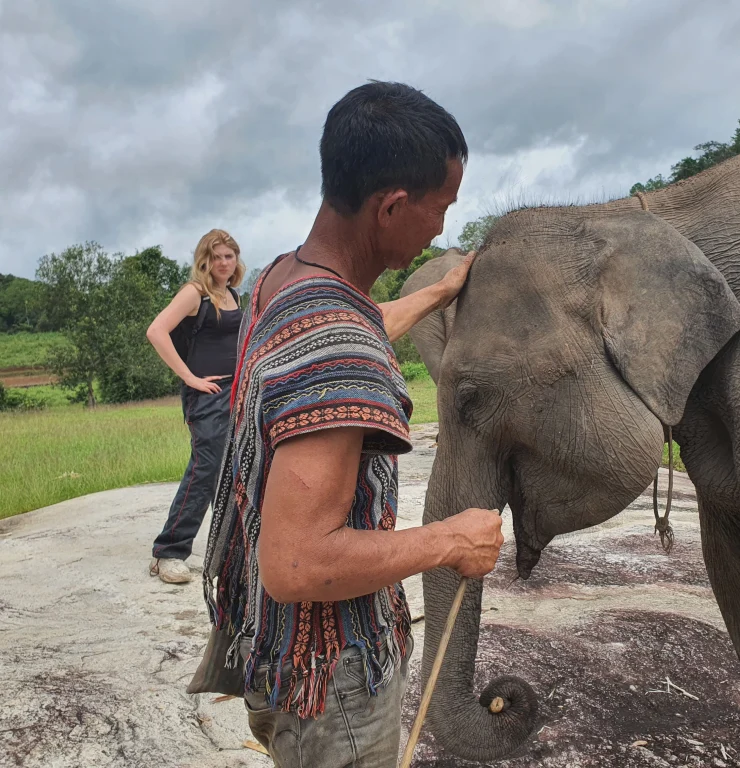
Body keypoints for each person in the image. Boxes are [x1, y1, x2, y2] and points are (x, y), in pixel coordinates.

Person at [195, 82, 504, 767]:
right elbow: (298, 562)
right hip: (334, 685)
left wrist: (438, 291)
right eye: (439, 209)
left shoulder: (286, 281)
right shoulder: (341, 342)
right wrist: (451, 538)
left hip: (271, 651)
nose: (441, 231)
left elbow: (349, 332)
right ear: (391, 206)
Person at [146, 229, 245, 584]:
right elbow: (156, 331)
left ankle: (230, 555)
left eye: (229, 256)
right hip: (207, 393)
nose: (223, 262)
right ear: (205, 260)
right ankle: (168, 553)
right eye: (216, 256)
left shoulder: (232, 294)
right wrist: (189, 377)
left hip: (235, 393)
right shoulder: (195, 293)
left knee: (232, 471)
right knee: (205, 469)